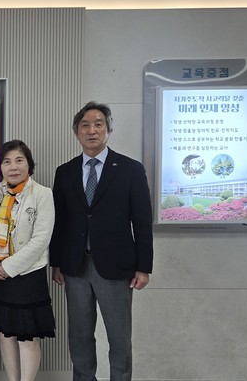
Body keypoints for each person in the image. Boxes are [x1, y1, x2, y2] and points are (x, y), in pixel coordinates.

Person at [50, 102, 153, 381]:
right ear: (77, 132)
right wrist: (56, 262)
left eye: (98, 124)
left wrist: (144, 267)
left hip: (117, 266)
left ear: (108, 130)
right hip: (75, 266)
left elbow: (142, 222)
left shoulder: (131, 169)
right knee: (79, 335)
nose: (92, 130)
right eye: (85, 125)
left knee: (119, 338)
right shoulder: (65, 172)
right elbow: (60, 221)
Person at [0, 140, 56, 381]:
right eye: (7, 162)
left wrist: (9, 267)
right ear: (0, 167)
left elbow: (41, 239)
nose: (13, 167)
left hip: (28, 274)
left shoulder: (42, 194)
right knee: (6, 333)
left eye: (19, 160)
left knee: (26, 336)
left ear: (29, 165)